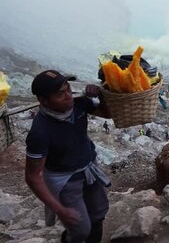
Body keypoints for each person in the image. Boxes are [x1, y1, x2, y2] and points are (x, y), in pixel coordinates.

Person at [25, 70, 111, 243]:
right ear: (43, 100)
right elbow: (33, 177)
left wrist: (101, 95)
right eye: (60, 94)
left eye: (68, 89)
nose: (68, 96)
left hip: (89, 167)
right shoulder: (40, 132)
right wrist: (59, 209)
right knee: (80, 228)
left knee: (99, 214)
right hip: (65, 179)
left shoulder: (79, 104)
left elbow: (108, 114)